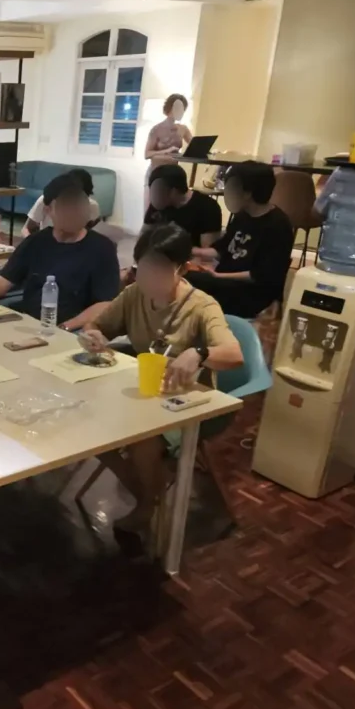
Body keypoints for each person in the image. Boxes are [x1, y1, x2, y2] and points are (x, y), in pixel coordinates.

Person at [78, 224, 243, 535]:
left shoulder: (201, 306)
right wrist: (93, 336)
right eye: (144, 268)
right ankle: (150, 494)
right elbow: (97, 325)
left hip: (190, 402)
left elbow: (234, 354)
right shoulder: (134, 294)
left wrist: (199, 352)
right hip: (146, 393)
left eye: (160, 269)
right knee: (89, 423)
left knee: (142, 435)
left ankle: (147, 503)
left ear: (181, 269)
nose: (149, 278)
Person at [0, 172, 119, 321]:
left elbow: (104, 305)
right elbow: (2, 282)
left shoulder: (102, 249)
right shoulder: (36, 242)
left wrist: (66, 328)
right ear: (48, 210)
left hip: (73, 330)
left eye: (79, 204)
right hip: (29, 324)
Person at [188, 161, 295, 318]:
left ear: (248, 193)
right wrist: (192, 251)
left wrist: (218, 276)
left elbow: (262, 276)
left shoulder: (278, 225)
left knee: (187, 284)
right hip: (225, 282)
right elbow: (222, 249)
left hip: (251, 293)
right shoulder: (242, 215)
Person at [143, 164, 223, 248]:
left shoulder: (208, 208)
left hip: (189, 255)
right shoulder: (159, 202)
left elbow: (208, 250)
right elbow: (144, 235)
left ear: (173, 191)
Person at [21, 168, 102, 238]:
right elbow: (26, 229)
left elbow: (94, 233)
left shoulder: (92, 206)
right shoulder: (46, 200)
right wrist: (32, 244)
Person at [145, 94, 192, 166]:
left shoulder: (183, 128)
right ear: (170, 108)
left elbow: (195, 147)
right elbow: (147, 154)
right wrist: (166, 151)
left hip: (173, 169)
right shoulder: (156, 129)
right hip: (157, 169)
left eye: (183, 109)